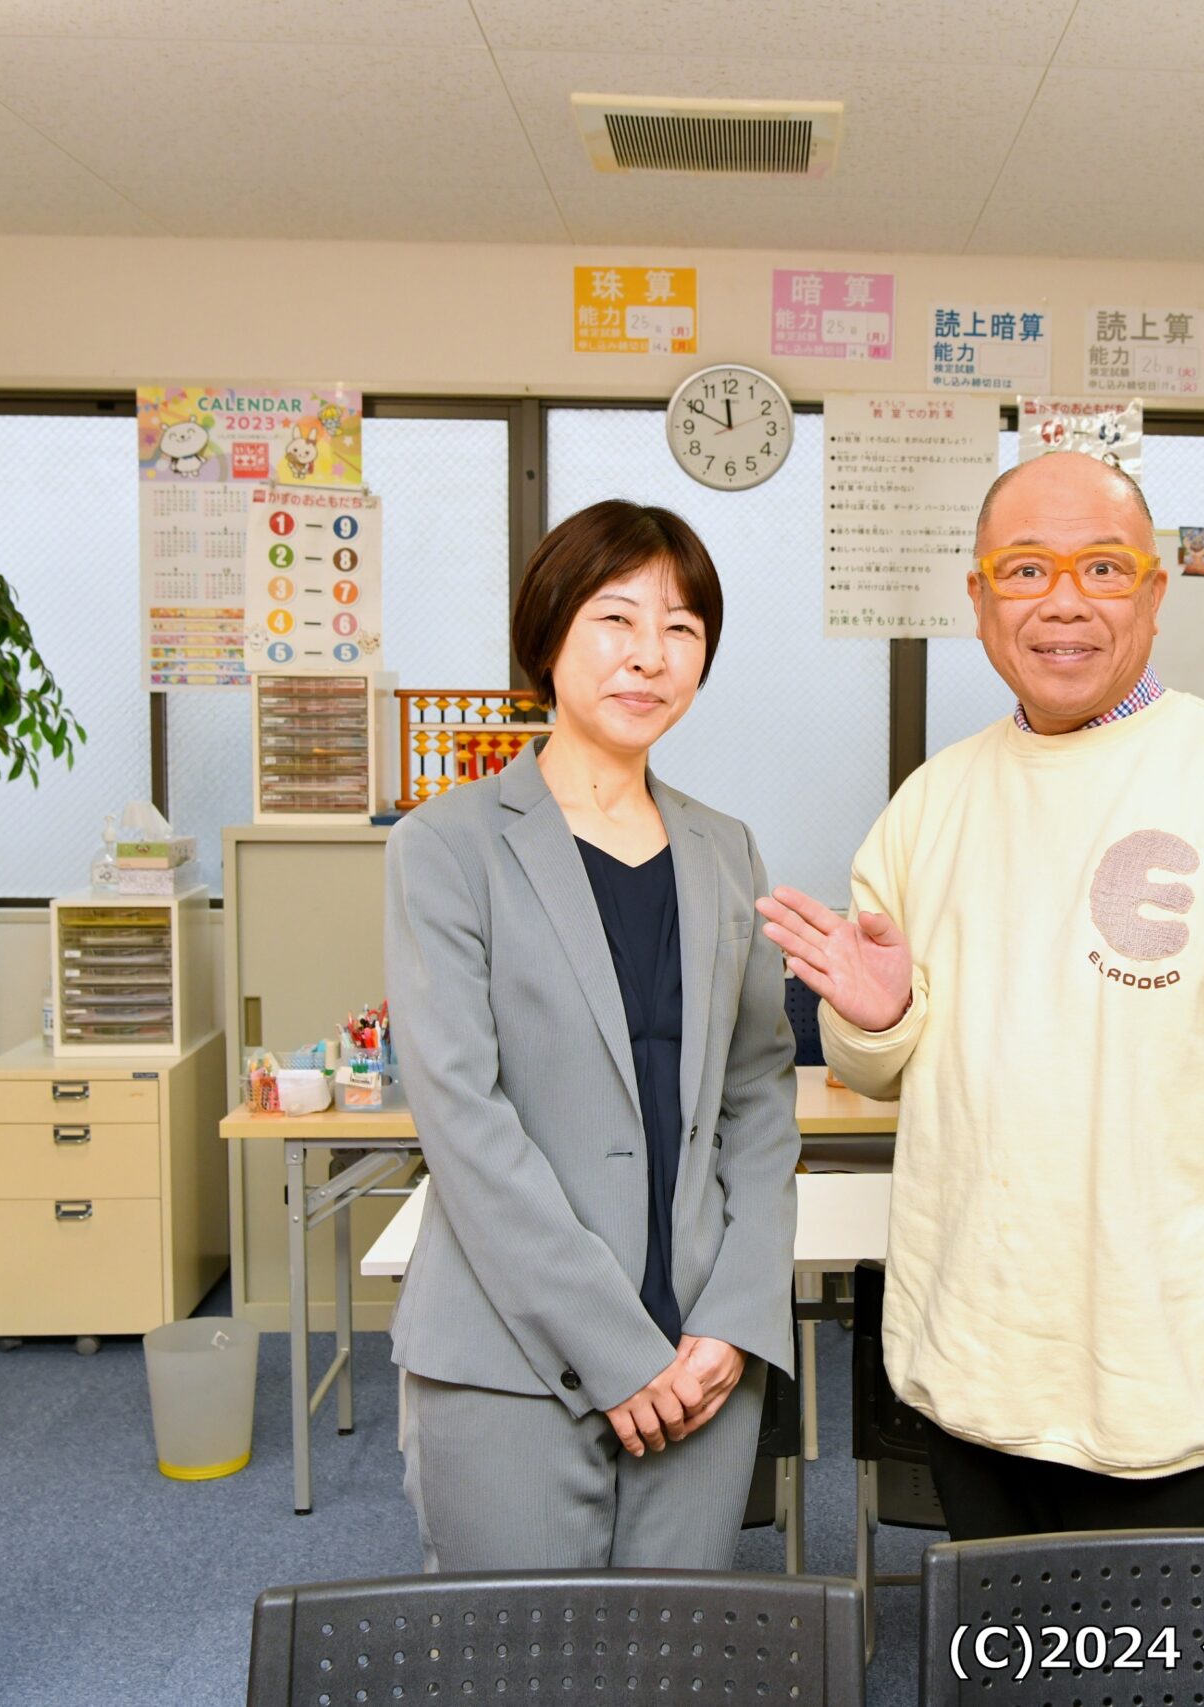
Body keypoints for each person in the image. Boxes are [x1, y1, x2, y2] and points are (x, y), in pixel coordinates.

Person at [757, 451, 1204, 1540]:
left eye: (1103, 568)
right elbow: (878, 1073)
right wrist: (869, 1021)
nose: (1062, 602)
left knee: (1153, 1671)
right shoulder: (932, 803)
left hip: (1170, 1354)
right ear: (977, 597)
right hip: (975, 1347)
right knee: (1000, 1664)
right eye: (1024, 570)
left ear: (1152, 594)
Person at [384, 499, 797, 1572]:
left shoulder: (726, 850)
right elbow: (464, 1126)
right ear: (549, 633)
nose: (648, 657)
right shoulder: (448, 846)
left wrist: (738, 1321)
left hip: (703, 1353)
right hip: (507, 1352)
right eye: (617, 619)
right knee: (510, 1667)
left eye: (682, 630)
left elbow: (759, 1099)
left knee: (675, 1666)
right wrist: (619, 1355)